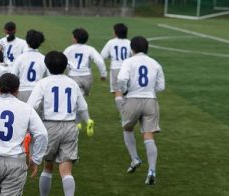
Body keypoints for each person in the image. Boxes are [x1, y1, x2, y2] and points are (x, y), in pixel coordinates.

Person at [27, 51, 93, 196]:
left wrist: (29, 125)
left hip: (49, 126)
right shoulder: (72, 83)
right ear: (65, 66)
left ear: (47, 66)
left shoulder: (43, 83)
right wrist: (87, 121)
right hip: (70, 126)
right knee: (66, 169)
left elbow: (32, 105)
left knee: (47, 167)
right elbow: (82, 106)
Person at [117, 36, 165, 185]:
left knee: (128, 128)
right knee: (148, 135)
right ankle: (152, 170)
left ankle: (135, 158)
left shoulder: (129, 62)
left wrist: (124, 91)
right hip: (151, 100)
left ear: (132, 49)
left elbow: (122, 79)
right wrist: (150, 90)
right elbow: (161, 87)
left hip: (132, 99)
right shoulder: (155, 63)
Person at [63, 28, 107, 97]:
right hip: (87, 77)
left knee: (74, 97)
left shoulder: (69, 49)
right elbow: (99, 61)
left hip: (73, 76)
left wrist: (65, 72)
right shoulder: (90, 49)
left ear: (75, 39)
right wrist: (103, 74)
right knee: (82, 96)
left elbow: (63, 61)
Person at [100, 23, 132, 113]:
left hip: (115, 69)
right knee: (126, 91)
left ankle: (123, 114)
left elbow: (102, 55)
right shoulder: (129, 42)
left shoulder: (111, 42)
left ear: (116, 32)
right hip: (128, 69)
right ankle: (128, 110)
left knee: (117, 92)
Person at [10, 29, 48, 103]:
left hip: (22, 91)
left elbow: (12, 76)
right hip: (38, 92)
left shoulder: (20, 58)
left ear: (27, 41)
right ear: (40, 43)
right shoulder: (43, 58)